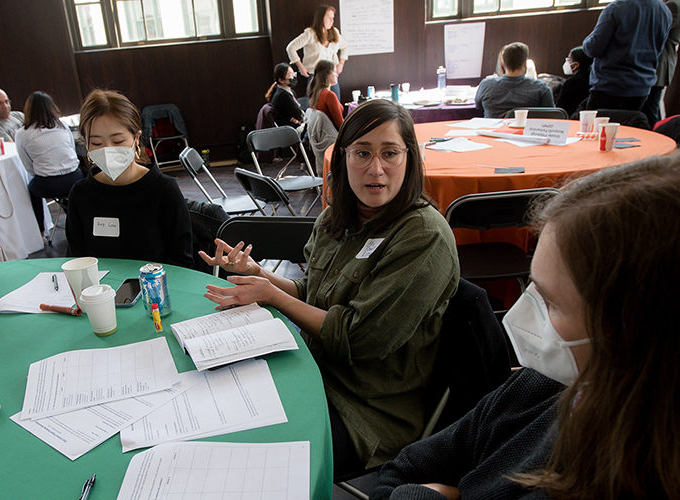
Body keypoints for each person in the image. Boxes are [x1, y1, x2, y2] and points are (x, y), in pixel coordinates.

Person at [370, 156, 680, 500]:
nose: (517, 314)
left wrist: (430, 495)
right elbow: (401, 470)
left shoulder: (619, 478)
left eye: (551, 302)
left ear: (630, 330)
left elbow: (401, 488)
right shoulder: (537, 388)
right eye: (530, 287)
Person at [200, 99, 459, 473]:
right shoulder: (336, 218)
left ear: (410, 158)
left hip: (365, 413)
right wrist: (261, 274)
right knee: (218, 410)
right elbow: (313, 293)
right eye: (362, 153)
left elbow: (357, 339)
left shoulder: (423, 235)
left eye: (390, 153)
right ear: (343, 158)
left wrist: (271, 295)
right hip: (310, 371)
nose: (376, 169)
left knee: (245, 461)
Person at [65, 89, 193, 268]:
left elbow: (181, 260)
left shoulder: (163, 189)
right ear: (86, 145)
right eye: (96, 143)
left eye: (117, 141)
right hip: (100, 291)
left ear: (136, 139)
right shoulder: (81, 194)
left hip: (155, 290)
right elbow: (76, 258)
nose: (108, 149)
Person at [15, 91, 85, 236]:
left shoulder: (23, 134)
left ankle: (41, 232)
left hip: (49, 184)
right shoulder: (62, 126)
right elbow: (72, 150)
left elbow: (28, 166)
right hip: (75, 177)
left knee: (32, 190)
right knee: (69, 194)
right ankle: (78, 225)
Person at [583, 0, 671, 112]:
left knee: (597, 128)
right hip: (642, 88)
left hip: (610, 85)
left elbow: (593, 48)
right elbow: (659, 49)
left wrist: (587, 39)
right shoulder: (664, 11)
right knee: (630, 127)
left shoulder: (616, 9)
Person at [475, 42, 554, 118]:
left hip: (491, 131)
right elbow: (550, 115)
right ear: (525, 64)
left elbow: (478, 106)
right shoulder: (541, 88)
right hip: (525, 131)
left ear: (503, 64)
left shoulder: (486, 85)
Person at [286, 4, 349, 101]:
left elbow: (345, 47)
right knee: (315, 105)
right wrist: (301, 67)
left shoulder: (334, 32)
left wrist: (341, 64)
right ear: (320, 18)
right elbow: (291, 48)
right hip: (315, 76)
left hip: (332, 75)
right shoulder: (310, 33)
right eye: (328, 17)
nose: (331, 21)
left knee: (336, 105)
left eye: (333, 18)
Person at [643, 0, 680, 127]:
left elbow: (656, 31)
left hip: (659, 62)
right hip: (660, 62)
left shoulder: (673, 5)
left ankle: (656, 138)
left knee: (651, 108)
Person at [555, 46, 593, 116]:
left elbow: (560, 108)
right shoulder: (594, 80)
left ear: (576, 65)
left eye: (569, 59)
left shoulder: (571, 83)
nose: (567, 62)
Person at [266, 62, 304, 128]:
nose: (293, 77)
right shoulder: (283, 95)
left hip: (292, 126)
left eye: (293, 74)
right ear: (281, 80)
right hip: (289, 130)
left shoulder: (287, 91)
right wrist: (297, 119)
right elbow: (299, 115)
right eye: (290, 75)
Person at [308, 59, 344, 129]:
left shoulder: (315, 93)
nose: (337, 75)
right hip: (333, 135)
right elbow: (340, 124)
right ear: (326, 74)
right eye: (334, 72)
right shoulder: (329, 95)